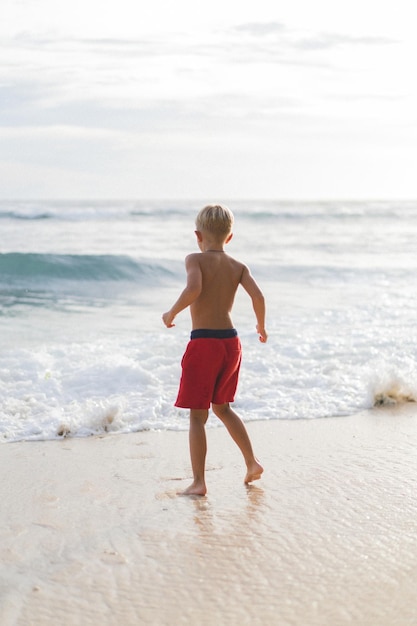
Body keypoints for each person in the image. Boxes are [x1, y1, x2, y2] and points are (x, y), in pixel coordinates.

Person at [162, 204, 267, 496]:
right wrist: (261, 326)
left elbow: (194, 289)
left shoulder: (194, 258)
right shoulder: (238, 266)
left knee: (198, 416)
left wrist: (171, 313)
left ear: (198, 235)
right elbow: (257, 295)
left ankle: (199, 482)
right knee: (222, 407)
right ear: (229, 238)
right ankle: (251, 462)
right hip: (231, 343)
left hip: (204, 342)